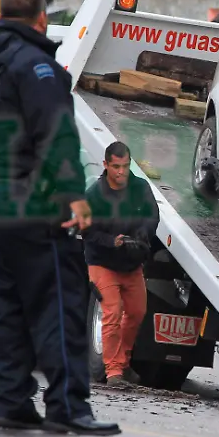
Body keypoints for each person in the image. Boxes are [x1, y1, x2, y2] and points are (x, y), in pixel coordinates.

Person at [0, 0, 119, 437]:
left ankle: (10, 402)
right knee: (59, 304)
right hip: (34, 204)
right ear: (41, 19)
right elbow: (55, 134)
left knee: (7, 305)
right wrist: (73, 195)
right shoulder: (37, 68)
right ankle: (68, 406)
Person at [84, 141, 159, 387]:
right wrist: (111, 241)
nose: (121, 172)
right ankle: (114, 372)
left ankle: (123, 361)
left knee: (137, 312)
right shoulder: (94, 195)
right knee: (112, 313)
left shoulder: (140, 187)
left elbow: (152, 215)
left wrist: (141, 235)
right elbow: (86, 231)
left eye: (125, 166)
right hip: (102, 263)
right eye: (116, 167)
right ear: (106, 165)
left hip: (131, 262)